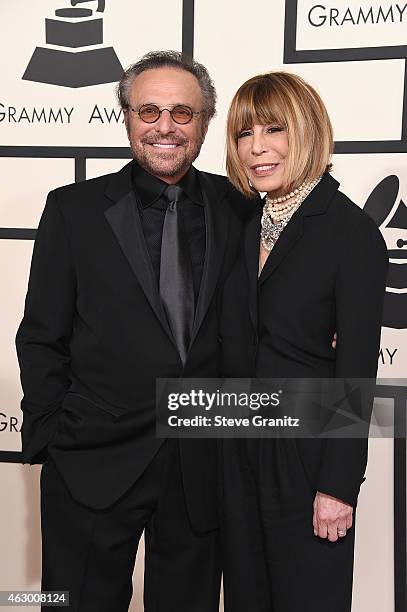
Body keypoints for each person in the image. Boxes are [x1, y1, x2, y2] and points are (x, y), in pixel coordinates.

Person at [15, 50, 250, 612]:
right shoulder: (72, 209)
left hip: (201, 463)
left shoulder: (239, 207)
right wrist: (55, 436)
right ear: (125, 116)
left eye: (182, 113)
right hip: (92, 459)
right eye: (149, 111)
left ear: (205, 122)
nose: (165, 126)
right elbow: (41, 333)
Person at [221, 71, 388, 612]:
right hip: (238, 449)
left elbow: (356, 370)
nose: (257, 148)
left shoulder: (350, 232)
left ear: (307, 132)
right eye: (245, 133)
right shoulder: (243, 224)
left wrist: (338, 486)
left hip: (307, 457)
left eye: (274, 130)